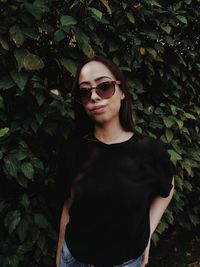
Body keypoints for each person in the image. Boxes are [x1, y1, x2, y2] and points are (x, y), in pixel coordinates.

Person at [56, 55, 175, 267]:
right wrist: (59, 259)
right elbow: (68, 205)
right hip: (73, 260)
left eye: (104, 86)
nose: (94, 96)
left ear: (121, 92)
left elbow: (168, 186)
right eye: (85, 91)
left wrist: (147, 234)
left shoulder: (150, 151)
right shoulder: (72, 151)